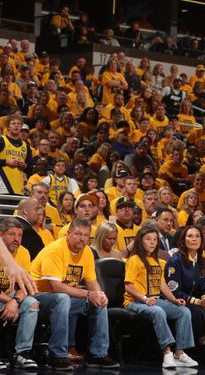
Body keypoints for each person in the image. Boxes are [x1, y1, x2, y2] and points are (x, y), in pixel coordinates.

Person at [30, 218, 119, 370]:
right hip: (38, 297)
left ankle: (97, 354)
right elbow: (56, 286)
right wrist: (89, 294)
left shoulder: (87, 252)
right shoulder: (55, 250)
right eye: (78, 234)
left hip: (63, 299)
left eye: (86, 235)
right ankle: (57, 355)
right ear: (69, 233)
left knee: (98, 302)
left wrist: (99, 294)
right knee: (63, 298)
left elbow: (92, 281)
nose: (82, 238)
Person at [124, 224, 198, 369]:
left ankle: (179, 352)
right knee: (158, 311)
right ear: (140, 241)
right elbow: (128, 286)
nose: (152, 242)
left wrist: (174, 300)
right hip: (135, 302)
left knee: (184, 311)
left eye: (155, 240)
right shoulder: (134, 260)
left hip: (155, 300)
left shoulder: (158, 261)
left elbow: (162, 285)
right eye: (148, 239)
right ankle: (167, 353)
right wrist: (144, 299)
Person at [165, 225, 205, 365]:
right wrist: (196, 301)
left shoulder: (202, 261)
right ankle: (203, 348)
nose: (194, 239)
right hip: (179, 301)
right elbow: (174, 290)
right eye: (190, 236)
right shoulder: (175, 261)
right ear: (183, 241)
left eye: (197, 236)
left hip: (197, 300)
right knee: (197, 310)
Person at [0, 217, 39, 370]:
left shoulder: (24, 253)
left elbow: (26, 286)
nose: (17, 239)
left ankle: (22, 354)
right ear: (1, 235)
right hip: (4, 298)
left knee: (32, 303)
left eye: (19, 235)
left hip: (10, 297)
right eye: (12, 234)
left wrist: (15, 301)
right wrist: (10, 301)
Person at [0, 114, 33, 195]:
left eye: (18, 124)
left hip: (19, 187)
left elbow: (30, 168)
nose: (16, 126)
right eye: (13, 123)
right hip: (3, 185)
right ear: (8, 127)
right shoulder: (1, 141)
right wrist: (6, 162)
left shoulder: (26, 146)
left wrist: (25, 166)